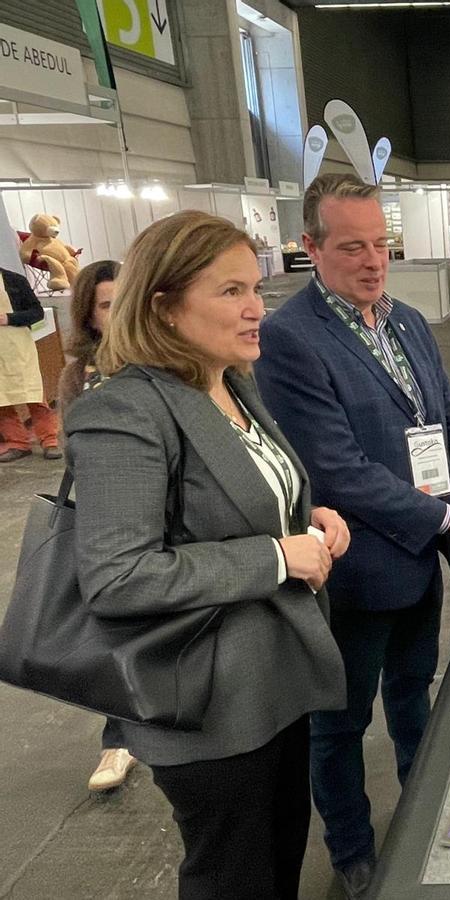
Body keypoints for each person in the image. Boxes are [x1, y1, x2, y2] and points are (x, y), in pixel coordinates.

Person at [255, 174, 450, 898]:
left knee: (414, 694)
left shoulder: (404, 320)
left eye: (381, 244)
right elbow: (337, 469)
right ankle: (352, 853)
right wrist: (448, 517)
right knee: (339, 724)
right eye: (352, 248)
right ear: (310, 248)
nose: (373, 261)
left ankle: (423, 814)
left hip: (416, 561)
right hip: (352, 570)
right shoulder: (290, 339)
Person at [66, 211, 350, 899]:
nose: (256, 308)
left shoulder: (230, 382)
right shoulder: (126, 410)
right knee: (231, 874)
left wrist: (304, 515)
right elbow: (117, 576)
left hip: (274, 684)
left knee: (279, 857)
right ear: (164, 305)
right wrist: (280, 556)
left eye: (256, 287)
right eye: (230, 292)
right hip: (204, 705)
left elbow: (239, 498)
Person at [56, 259, 140, 792]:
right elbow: (72, 452)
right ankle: (117, 739)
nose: (118, 314)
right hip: (108, 522)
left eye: (124, 301)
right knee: (115, 633)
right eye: (107, 305)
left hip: (167, 526)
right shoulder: (79, 377)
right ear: (89, 315)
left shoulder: (164, 363)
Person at [0, 267, 61, 462]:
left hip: (18, 346)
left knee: (33, 393)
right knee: (2, 399)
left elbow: (37, 312)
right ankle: (17, 442)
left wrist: (9, 318)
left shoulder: (14, 280)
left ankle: (49, 440)